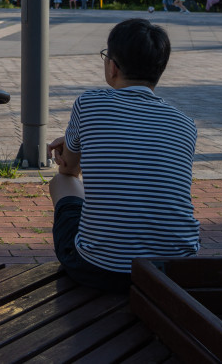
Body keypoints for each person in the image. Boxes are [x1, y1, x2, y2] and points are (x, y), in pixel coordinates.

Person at [46, 18, 199, 293]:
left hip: (102, 269)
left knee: (61, 183)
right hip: (175, 271)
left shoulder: (89, 103)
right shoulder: (184, 124)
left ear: (112, 66)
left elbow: (69, 170)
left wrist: (73, 150)